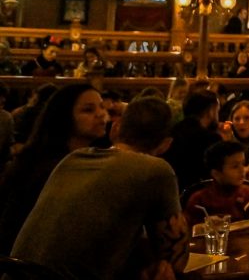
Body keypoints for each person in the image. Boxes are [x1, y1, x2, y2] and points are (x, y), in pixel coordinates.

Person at [11, 96, 189, 280]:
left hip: (14, 272)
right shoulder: (156, 169)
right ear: (166, 145)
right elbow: (177, 260)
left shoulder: (73, 159)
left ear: (115, 129)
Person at [0, 84, 108, 254]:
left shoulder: (83, 158)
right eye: (88, 110)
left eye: (102, 106)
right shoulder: (50, 167)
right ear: (65, 117)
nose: (101, 114)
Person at [163, 90, 231, 191]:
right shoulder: (211, 139)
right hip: (199, 198)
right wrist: (225, 143)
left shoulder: (172, 132)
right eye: (217, 111)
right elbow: (223, 176)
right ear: (210, 111)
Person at [183, 140, 249, 227]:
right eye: (235, 166)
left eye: (243, 164)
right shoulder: (199, 201)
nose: (242, 170)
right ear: (216, 174)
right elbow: (189, 233)